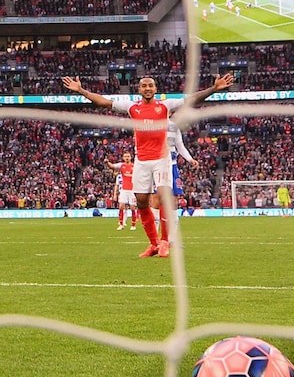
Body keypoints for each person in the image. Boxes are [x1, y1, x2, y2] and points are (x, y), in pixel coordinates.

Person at [62, 73, 234, 257]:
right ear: (139, 89)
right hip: (141, 161)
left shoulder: (165, 106)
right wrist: (81, 91)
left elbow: (191, 99)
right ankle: (154, 244)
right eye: (144, 86)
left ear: (155, 89)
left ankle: (166, 242)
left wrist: (214, 89)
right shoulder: (132, 107)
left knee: (163, 196)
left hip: (162, 159)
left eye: (150, 86)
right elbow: (103, 102)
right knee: (142, 201)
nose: (147, 89)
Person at [147, 119, 201, 257]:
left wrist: (190, 159)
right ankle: (155, 242)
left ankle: (171, 240)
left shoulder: (173, 126)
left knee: (174, 202)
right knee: (156, 201)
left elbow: (180, 145)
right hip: (157, 165)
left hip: (172, 166)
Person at [106, 152, 137, 231]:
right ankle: (121, 224)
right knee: (121, 206)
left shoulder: (135, 166)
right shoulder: (121, 165)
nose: (127, 158)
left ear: (130, 157)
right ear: (123, 158)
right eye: (125, 156)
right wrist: (107, 162)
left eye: (128, 156)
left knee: (133, 207)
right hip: (124, 189)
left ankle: (133, 224)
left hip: (132, 190)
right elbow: (112, 166)